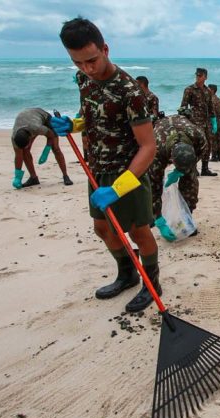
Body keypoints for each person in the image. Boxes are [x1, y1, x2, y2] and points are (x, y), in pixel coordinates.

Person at [52, 16, 160, 313]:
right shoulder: (84, 79)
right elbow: (93, 114)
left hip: (128, 173)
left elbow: (148, 147)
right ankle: (127, 273)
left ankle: (152, 282)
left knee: (138, 232)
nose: (87, 69)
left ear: (106, 49)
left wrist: (118, 187)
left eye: (92, 60)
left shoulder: (131, 92)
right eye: (78, 63)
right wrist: (72, 124)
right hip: (96, 168)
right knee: (103, 228)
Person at [147, 111, 208, 240]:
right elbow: (154, 185)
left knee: (190, 181)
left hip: (184, 129)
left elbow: (202, 151)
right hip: (161, 132)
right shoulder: (157, 150)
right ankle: (153, 217)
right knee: (152, 183)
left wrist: (181, 171)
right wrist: (158, 219)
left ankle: (186, 218)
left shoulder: (199, 137)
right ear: (171, 160)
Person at [11, 108, 73, 188]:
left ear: (30, 137)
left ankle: (65, 176)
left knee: (55, 149)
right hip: (26, 119)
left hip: (44, 118)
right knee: (25, 151)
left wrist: (46, 150)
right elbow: (18, 156)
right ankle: (33, 178)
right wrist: (17, 177)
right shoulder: (14, 137)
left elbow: (51, 135)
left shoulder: (38, 128)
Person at [181, 68, 218, 176]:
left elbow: (211, 107)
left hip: (206, 122)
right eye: (197, 75)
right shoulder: (189, 89)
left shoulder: (207, 91)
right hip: (194, 122)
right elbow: (183, 107)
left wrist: (214, 121)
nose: (198, 77)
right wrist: (185, 121)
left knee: (208, 145)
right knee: (196, 145)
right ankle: (193, 167)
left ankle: (205, 169)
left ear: (205, 77)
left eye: (200, 75)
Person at [208, 84, 220, 162]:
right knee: (219, 139)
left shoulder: (209, 100)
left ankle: (214, 156)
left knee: (213, 139)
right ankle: (219, 156)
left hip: (212, 122)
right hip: (219, 121)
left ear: (212, 90)